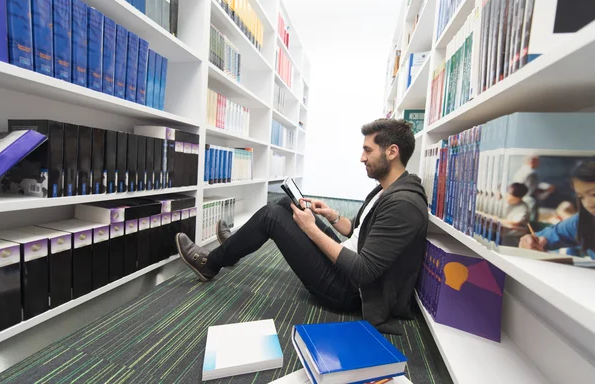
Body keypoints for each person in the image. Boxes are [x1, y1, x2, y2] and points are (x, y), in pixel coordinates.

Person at [174, 118, 428, 334]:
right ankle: (232, 248)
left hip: (347, 290)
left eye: (368, 150)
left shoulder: (402, 205)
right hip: (346, 262)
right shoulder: (387, 190)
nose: (362, 158)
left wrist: (311, 229)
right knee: (287, 202)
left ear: (392, 152)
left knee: (272, 216)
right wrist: (331, 216)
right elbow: (357, 230)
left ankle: (210, 265)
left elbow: (363, 271)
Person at [519, 157, 595, 259]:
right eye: (581, 197)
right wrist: (529, 242)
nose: (588, 204)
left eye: (594, 194)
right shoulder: (582, 221)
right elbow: (545, 236)